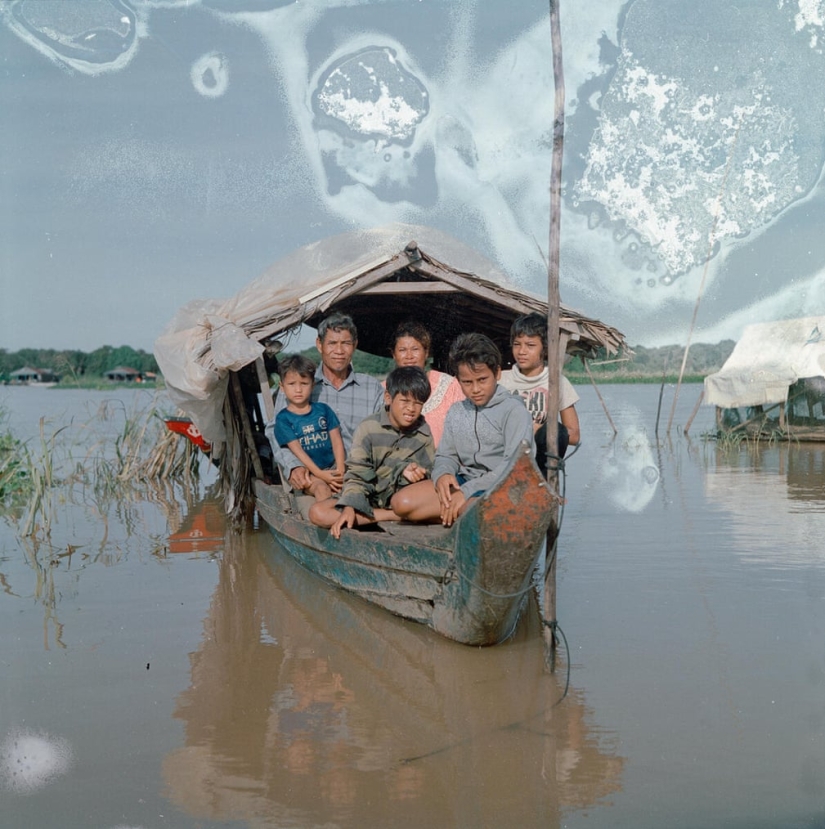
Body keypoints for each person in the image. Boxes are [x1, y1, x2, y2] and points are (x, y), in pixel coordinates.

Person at [391, 333, 534, 527]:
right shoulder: (457, 411)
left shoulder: (514, 411)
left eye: (482, 380)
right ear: (458, 379)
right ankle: (456, 512)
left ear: (497, 373)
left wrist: (465, 493)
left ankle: (458, 512)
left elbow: (513, 468)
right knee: (401, 503)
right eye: (467, 382)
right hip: (462, 481)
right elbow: (445, 455)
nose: (475, 389)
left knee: (474, 512)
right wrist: (443, 474)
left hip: (501, 486)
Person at [308, 366, 435, 538]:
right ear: (388, 398)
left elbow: (427, 477)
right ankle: (392, 517)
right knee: (318, 512)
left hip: (400, 500)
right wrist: (351, 506)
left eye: (418, 403)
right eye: (405, 401)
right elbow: (356, 474)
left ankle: (394, 513)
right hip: (367, 499)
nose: (411, 409)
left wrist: (410, 473)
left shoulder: (424, 433)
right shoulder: (368, 428)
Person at [267, 312, 384, 490]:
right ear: (319, 345)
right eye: (332, 343)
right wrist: (294, 466)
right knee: (319, 508)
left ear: (355, 346)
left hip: (360, 477)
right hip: (313, 477)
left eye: (345, 343)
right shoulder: (299, 384)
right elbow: (275, 430)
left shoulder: (372, 387)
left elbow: (381, 435)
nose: (339, 351)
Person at [498, 312, 580, 471]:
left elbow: (574, 435)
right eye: (517, 344)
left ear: (545, 348)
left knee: (555, 430)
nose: (521, 351)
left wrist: (542, 431)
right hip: (505, 459)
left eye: (530, 345)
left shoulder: (557, 383)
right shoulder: (501, 380)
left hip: (540, 464)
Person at [272, 354, 346, 501]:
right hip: (310, 473)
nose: (298, 389)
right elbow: (298, 452)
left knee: (353, 487)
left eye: (304, 383)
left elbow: (337, 441)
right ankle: (327, 519)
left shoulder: (323, 410)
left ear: (312, 385)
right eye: (292, 384)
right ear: (282, 387)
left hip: (333, 467)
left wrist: (340, 470)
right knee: (322, 489)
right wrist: (320, 474)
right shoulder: (283, 419)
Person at [387, 321, 464, 445]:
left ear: (426, 352)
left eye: (415, 349)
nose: (409, 356)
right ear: (394, 354)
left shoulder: (450, 386)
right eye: (402, 350)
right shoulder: (383, 389)